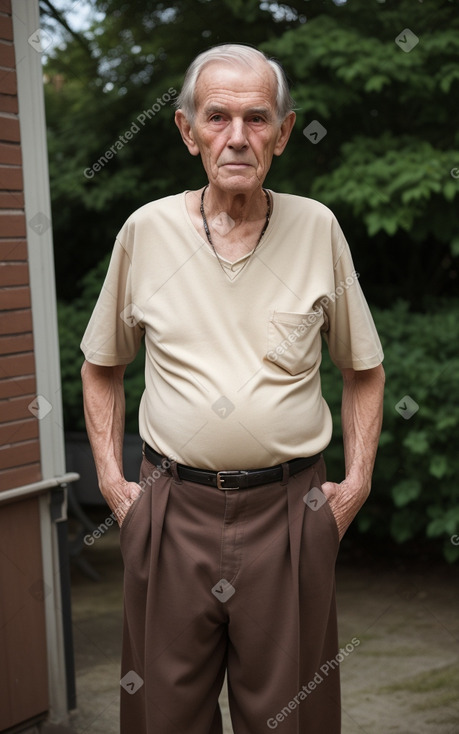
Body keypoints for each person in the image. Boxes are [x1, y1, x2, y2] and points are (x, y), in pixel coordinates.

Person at [80, 43, 385, 734]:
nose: (237, 137)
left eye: (257, 118)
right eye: (217, 117)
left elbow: (363, 369)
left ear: (283, 130)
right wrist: (111, 481)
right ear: (187, 131)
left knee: (291, 719)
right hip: (166, 508)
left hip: (289, 512)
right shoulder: (146, 232)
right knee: (163, 716)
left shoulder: (318, 228)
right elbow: (102, 364)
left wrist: (356, 484)